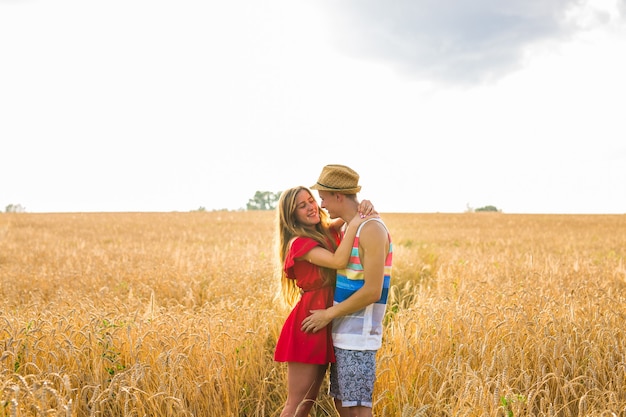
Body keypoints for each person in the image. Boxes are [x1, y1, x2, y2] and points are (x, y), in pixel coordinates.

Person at [274, 185, 376, 417]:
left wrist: (364, 205)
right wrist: (357, 223)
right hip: (311, 322)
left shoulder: (324, 231)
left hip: (329, 319)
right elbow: (339, 260)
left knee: (307, 401)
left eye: (311, 200)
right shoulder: (299, 243)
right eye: (302, 206)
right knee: (298, 404)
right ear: (292, 215)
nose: (311, 207)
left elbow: (348, 212)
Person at [301, 164, 393, 417]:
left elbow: (373, 290)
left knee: (358, 411)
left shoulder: (372, 229)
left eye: (323, 197)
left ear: (338, 196)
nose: (322, 204)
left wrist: (328, 314)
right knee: (343, 406)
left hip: (359, 337)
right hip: (344, 335)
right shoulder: (349, 227)